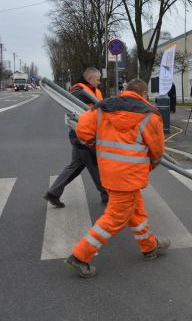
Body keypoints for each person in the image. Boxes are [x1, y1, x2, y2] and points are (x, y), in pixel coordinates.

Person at [64, 78, 170, 278]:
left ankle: (149, 247)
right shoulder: (150, 115)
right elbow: (157, 151)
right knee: (115, 218)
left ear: (125, 91)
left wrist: (98, 147)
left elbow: (83, 132)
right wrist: (149, 166)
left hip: (109, 172)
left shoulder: (103, 107)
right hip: (131, 175)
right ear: (144, 94)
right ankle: (80, 256)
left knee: (136, 210)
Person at [44, 67, 108, 208]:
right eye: (97, 79)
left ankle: (53, 193)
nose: (99, 82)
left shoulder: (93, 90)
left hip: (85, 133)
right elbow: (73, 107)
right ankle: (106, 195)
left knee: (76, 165)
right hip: (83, 135)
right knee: (95, 165)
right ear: (90, 79)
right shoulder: (79, 91)